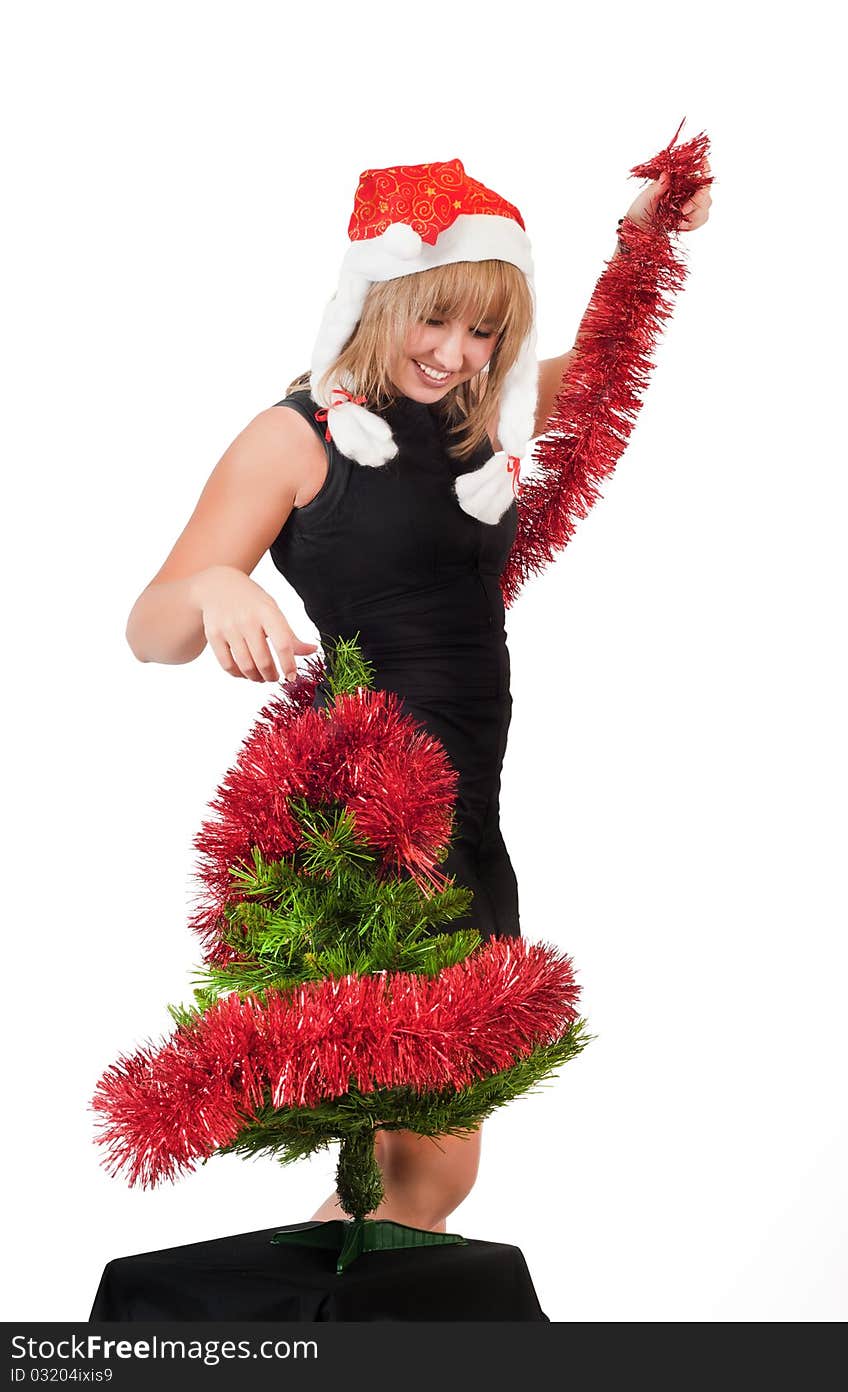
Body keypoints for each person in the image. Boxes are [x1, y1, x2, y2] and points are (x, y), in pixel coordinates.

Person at [125, 155, 712, 1237]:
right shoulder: (297, 437)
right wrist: (215, 584)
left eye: (485, 332)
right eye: (434, 323)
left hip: (471, 816)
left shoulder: (475, 419)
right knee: (409, 1154)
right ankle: (294, 1338)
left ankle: (318, 1334)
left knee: (432, 1175)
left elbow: (603, 367)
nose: (457, 355)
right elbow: (147, 629)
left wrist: (647, 236)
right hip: (367, 823)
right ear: (379, 298)